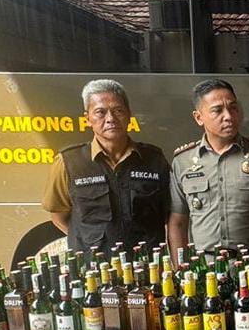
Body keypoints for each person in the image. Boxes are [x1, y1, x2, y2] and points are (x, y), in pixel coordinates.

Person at [41, 78, 171, 253]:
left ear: (129, 115)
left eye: (118, 110)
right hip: (95, 269)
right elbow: (58, 215)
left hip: (146, 266)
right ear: (87, 118)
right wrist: (87, 244)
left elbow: (168, 213)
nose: (111, 119)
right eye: (100, 112)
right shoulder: (69, 162)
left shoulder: (154, 159)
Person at [167, 79, 249, 259]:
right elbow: (178, 221)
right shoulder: (183, 161)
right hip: (206, 265)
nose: (228, 116)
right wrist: (181, 268)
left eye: (233, 108)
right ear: (198, 117)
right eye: (217, 110)